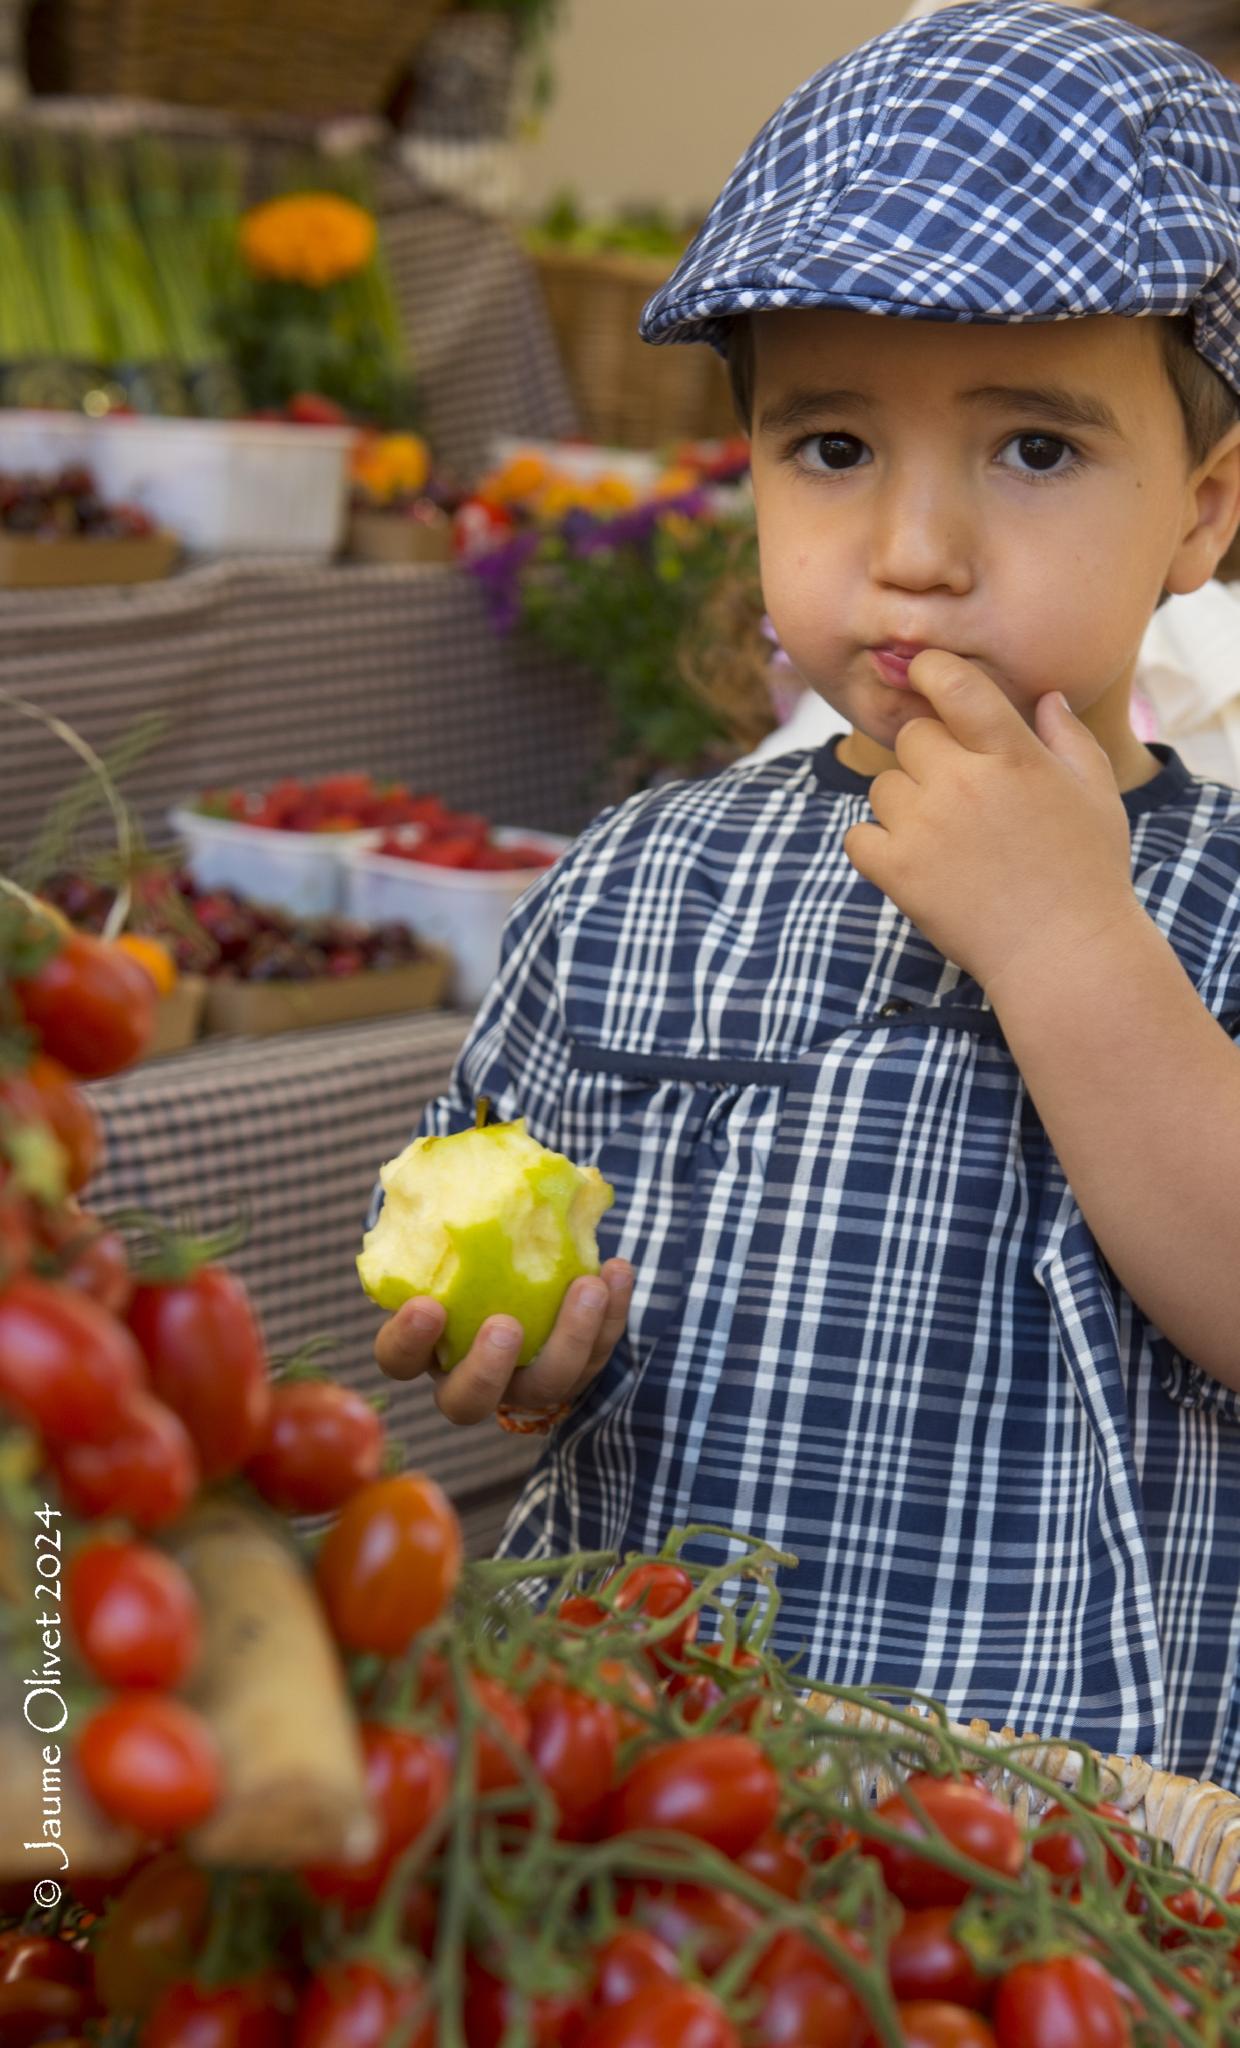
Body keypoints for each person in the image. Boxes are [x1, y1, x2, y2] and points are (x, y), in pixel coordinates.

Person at [373, 2, 1240, 1786]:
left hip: (1049, 1858)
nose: (916, 553)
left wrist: (1072, 941)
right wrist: (520, 1348)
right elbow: (513, 1233)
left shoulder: (1223, 899)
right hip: (626, 1783)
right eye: (832, 450)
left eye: (1037, 450)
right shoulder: (640, 881)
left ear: (1205, 510)